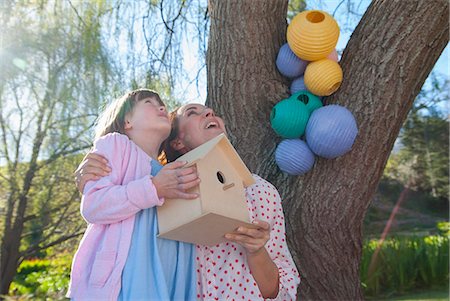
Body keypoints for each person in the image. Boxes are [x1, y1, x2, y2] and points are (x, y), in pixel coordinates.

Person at [75, 103, 300, 300]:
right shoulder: (162, 189)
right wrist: (94, 177)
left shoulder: (259, 190)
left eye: (211, 112)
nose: (209, 113)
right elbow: (116, 217)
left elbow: (275, 291)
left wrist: (257, 251)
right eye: (193, 113)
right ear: (177, 142)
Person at [67, 89, 200, 300]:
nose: (162, 107)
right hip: (125, 281)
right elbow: (93, 206)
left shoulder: (171, 169)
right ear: (127, 121)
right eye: (149, 102)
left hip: (169, 278)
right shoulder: (116, 145)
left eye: (162, 104)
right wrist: (154, 188)